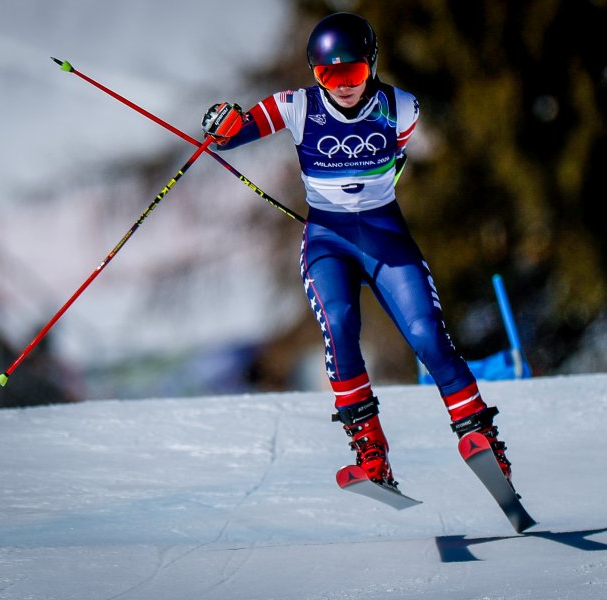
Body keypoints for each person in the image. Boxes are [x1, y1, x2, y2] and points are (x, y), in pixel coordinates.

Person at [202, 12, 512, 490]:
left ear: (371, 66)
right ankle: (370, 449)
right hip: (327, 240)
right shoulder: (296, 105)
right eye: (330, 74)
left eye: (353, 74)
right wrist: (222, 126)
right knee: (341, 326)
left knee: (427, 333)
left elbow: (400, 157)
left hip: (384, 236)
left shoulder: (401, 107)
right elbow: (241, 130)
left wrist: (366, 195)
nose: (342, 86)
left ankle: (480, 436)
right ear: (314, 73)